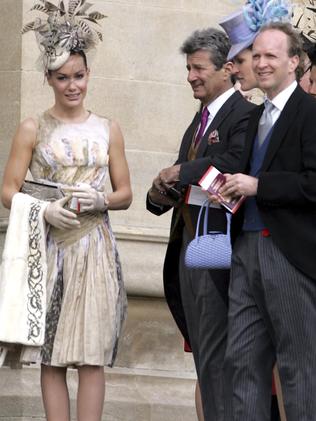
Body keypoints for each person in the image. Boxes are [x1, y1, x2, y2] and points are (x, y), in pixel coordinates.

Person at [0, 2, 132, 421]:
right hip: (50, 247)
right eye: (62, 78)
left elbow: (126, 192)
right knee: (52, 355)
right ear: (48, 79)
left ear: (88, 75)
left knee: (91, 355)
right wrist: (43, 211)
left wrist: (102, 200)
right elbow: (8, 190)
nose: (72, 86)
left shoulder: (108, 128)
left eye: (78, 76)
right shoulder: (32, 127)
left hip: (95, 247)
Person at [147, 27, 254, 420]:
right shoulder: (200, 120)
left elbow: (230, 165)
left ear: (226, 69)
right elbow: (183, 180)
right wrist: (158, 193)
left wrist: (180, 170)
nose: (191, 75)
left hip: (218, 251)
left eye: (198, 68)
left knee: (220, 358)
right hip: (191, 247)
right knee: (204, 357)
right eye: (188, 68)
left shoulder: (244, 114)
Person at [218, 22, 316, 420]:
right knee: (240, 361)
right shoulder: (256, 115)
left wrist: (260, 185)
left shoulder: (310, 113)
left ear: (294, 62)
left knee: (298, 369)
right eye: (255, 55)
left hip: (290, 256)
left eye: (271, 56)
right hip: (245, 250)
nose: (260, 63)